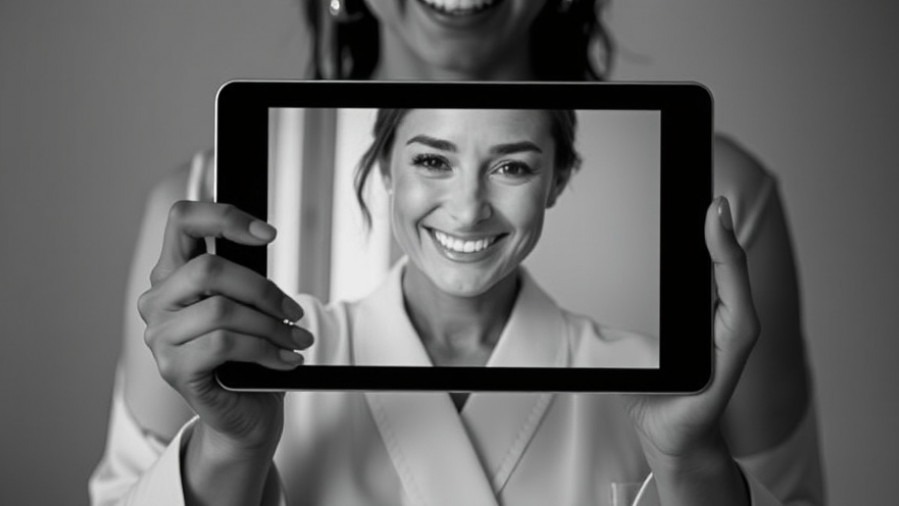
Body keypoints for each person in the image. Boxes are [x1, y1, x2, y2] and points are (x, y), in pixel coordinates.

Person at [90, 1, 824, 505]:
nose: (468, 209)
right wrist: (225, 454)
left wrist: (694, 469)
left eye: (512, 166)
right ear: (382, 169)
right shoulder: (207, 215)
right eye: (431, 161)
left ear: (559, 178)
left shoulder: (715, 200)